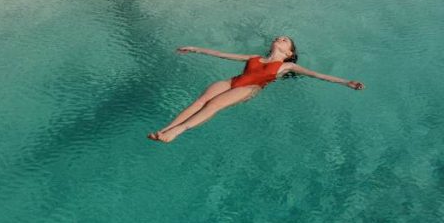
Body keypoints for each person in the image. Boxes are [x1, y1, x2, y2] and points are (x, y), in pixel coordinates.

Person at [148, 36, 364, 143]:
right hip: (234, 81)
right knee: (199, 101)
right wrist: (195, 49)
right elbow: (223, 54)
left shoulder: (287, 66)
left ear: (289, 52)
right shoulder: (255, 58)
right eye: (279, 37)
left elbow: (318, 74)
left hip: (250, 87)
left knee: (213, 105)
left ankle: (177, 132)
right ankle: (165, 129)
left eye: (286, 40)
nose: (280, 39)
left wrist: (346, 82)